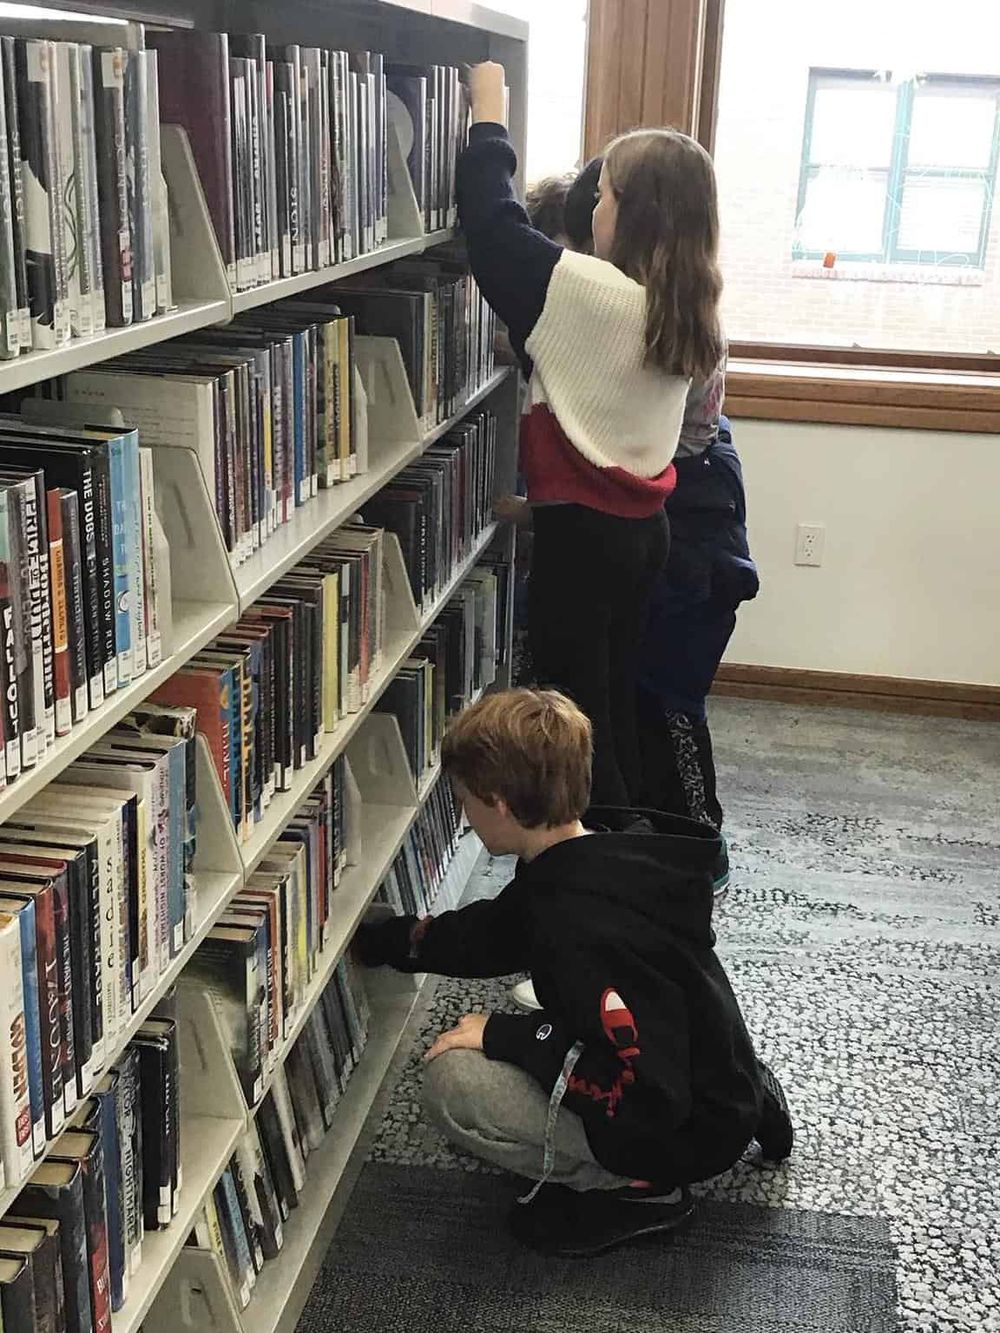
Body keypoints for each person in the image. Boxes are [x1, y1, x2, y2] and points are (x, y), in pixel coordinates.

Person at [356, 689, 793, 1257]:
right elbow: (497, 933)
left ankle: (644, 1189)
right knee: (545, 1011)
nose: (462, 814)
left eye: (464, 801)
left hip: (673, 1120)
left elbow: (644, 1082)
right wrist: (397, 939)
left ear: (499, 804)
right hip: (710, 1068)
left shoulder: (578, 928)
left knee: (453, 1085)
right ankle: (747, 1093)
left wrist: (508, 1037)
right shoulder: (598, 857)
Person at [460, 62, 725, 807]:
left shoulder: (590, 293)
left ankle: (602, 876)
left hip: (584, 548)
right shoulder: (684, 304)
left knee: (571, 733)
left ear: (630, 213)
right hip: (643, 535)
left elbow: (493, 233)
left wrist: (488, 120)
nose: (593, 209)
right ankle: (623, 852)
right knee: (608, 713)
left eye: (603, 195)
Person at [532, 153, 759, 889]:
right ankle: (664, 839)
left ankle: (700, 843)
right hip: (673, 511)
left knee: (667, 699)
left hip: (693, 529)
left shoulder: (642, 315)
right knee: (632, 695)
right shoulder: (675, 299)